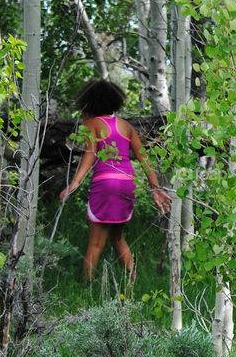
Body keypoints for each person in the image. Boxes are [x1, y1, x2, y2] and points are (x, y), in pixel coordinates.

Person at [59, 79, 171, 280]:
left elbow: (90, 154)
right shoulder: (126, 126)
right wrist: (156, 189)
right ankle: (132, 281)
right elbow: (144, 160)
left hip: (105, 183)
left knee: (95, 243)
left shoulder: (91, 124)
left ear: (89, 103)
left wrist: (73, 184)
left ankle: (86, 290)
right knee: (117, 237)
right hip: (126, 184)